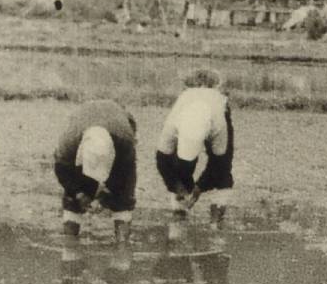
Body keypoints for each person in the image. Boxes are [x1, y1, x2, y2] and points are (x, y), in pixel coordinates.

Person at [155, 69, 234, 228]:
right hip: (186, 113)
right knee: (179, 173)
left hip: (216, 116)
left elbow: (219, 162)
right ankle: (179, 216)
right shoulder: (175, 119)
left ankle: (215, 221)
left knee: (223, 169)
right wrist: (179, 188)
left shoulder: (219, 118)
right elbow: (162, 161)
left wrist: (198, 189)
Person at [53, 99, 138, 241]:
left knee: (122, 199)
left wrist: (105, 194)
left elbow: (127, 179)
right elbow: (62, 171)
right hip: (83, 122)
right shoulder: (68, 145)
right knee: (72, 199)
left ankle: (123, 245)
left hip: (117, 123)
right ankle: (70, 243)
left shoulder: (125, 143)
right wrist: (78, 193)